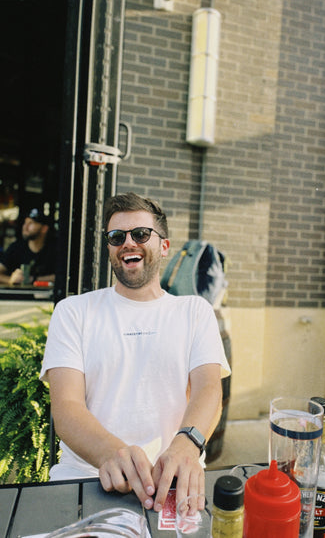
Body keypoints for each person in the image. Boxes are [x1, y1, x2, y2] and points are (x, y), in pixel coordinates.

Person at [40, 192, 230, 513]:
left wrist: (187, 444)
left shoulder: (193, 310)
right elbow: (66, 406)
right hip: (86, 475)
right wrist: (110, 453)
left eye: (141, 234)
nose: (128, 243)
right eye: (117, 237)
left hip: (173, 476)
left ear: (164, 246)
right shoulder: (73, 311)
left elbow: (209, 388)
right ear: (111, 249)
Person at [0, 207, 56, 286]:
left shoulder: (53, 249)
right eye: (25, 222)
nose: (25, 227)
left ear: (44, 229)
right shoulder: (16, 248)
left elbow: (63, 276)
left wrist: (33, 279)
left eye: (31, 223)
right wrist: (11, 279)